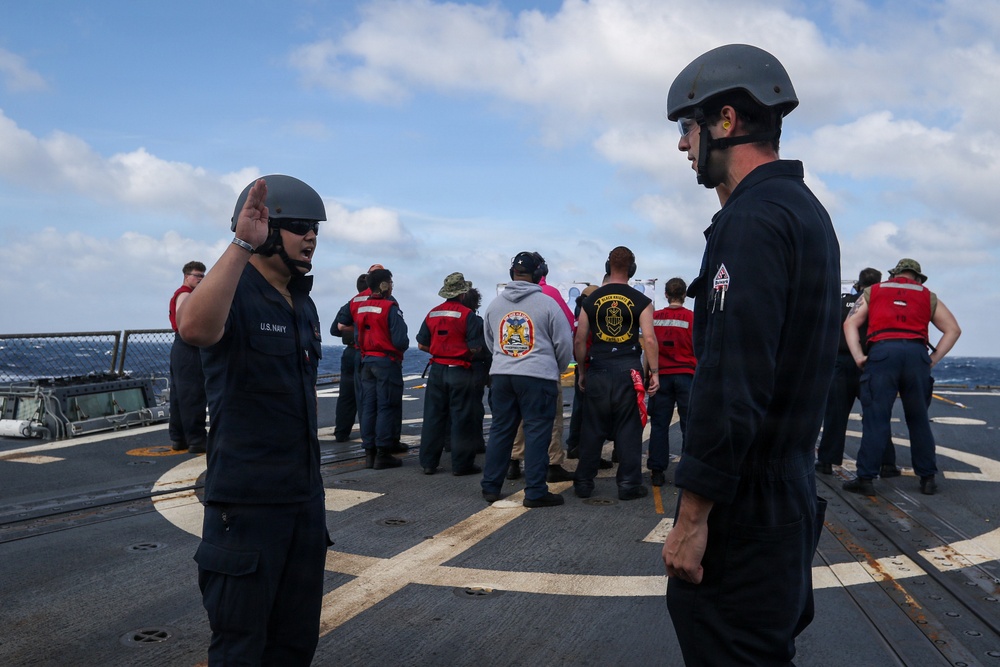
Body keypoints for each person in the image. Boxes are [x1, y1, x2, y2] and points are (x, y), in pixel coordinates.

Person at [661, 44, 841, 665]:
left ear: (727, 121)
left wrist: (690, 521)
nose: (684, 146)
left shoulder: (754, 222)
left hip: (747, 503)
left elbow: (730, 383)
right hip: (786, 488)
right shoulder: (804, 212)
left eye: (688, 127)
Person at [177, 174, 331, 665]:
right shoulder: (234, 290)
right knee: (242, 645)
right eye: (300, 226)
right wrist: (242, 242)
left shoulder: (301, 304)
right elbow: (195, 327)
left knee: (295, 641)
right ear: (268, 232)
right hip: (246, 506)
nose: (311, 237)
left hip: (303, 500)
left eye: (315, 230)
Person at [842, 259, 961, 496]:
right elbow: (953, 330)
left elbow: (850, 323)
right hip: (916, 356)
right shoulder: (927, 295)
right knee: (918, 419)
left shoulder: (873, 291)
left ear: (894, 274)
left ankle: (865, 478)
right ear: (917, 278)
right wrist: (932, 359)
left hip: (883, 354)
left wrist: (858, 356)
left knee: (876, 418)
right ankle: (927, 479)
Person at [480, 251, 574, 508]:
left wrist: (505, 359)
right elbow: (564, 343)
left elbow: (490, 341)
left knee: (501, 431)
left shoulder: (495, 305)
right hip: (537, 377)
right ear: (539, 273)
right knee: (537, 433)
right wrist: (555, 368)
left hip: (501, 375)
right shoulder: (548, 304)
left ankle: (490, 486)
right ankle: (534, 492)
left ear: (513, 273)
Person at [572, 247, 658, 501]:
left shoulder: (591, 300)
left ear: (607, 266)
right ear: (632, 269)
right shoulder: (641, 301)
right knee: (629, 428)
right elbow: (650, 340)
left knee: (592, 428)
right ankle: (629, 484)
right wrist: (655, 373)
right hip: (628, 370)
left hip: (598, 368)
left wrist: (582, 372)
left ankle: (584, 482)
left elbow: (579, 339)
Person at [815, 268, 899, 475]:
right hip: (870, 362)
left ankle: (826, 461)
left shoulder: (842, 302)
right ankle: (887, 463)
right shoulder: (881, 304)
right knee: (877, 414)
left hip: (842, 362)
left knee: (835, 414)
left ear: (858, 284)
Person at [507, 253, 576, 483]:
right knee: (552, 418)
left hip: (512, 367)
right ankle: (553, 463)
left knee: (517, 418)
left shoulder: (505, 298)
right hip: (543, 368)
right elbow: (567, 330)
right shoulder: (551, 294)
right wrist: (559, 365)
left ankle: (514, 460)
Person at [417, 272, 485, 475]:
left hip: (437, 370)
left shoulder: (432, 313)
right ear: (463, 294)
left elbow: (421, 344)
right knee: (462, 418)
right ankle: (462, 465)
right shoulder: (468, 316)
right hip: (460, 371)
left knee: (433, 417)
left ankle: (428, 463)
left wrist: (441, 352)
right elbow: (475, 349)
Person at [355, 267, 409, 469]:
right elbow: (400, 340)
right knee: (386, 406)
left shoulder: (362, 308)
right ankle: (383, 453)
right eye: (391, 283)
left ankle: (369, 453)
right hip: (386, 363)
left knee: (369, 406)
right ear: (385, 285)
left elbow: (356, 338)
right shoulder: (390, 308)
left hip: (367, 361)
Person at [644, 277, 696, 487]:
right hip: (686, 375)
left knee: (659, 424)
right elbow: (698, 348)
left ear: (666, 294)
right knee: (688, 425)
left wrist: (648, 374)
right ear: (684, 295)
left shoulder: (654, 318)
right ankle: (688, 471)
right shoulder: (692, 318)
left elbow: (648, 347)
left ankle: (657, 471)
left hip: (661, 375)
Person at [168, 260, 207, 454]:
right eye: (197, 275)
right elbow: (185, 321)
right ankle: (197, 439)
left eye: (202, 276)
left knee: (178, 395)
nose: (201, 279)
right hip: (188, 345)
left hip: (180, 347)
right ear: (186, 276)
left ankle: (179, 438)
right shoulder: (185, 294)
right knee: (193, 393)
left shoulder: (182, 294)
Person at [330, 274, 368, 442]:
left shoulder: (350, 303)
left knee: (346, 395)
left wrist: (351, 329)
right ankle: (371, 435)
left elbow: (334, 330)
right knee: (368, 395)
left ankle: (341, 432)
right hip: (366, 354)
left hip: (349, 353)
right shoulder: (379, 304)